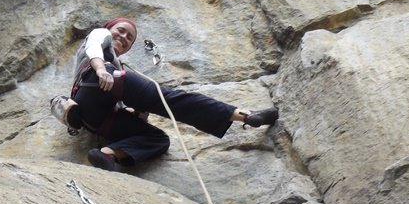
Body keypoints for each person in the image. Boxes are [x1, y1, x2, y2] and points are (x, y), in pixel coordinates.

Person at [54, 17, 279, 172]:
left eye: (129, 38)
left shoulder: (118, 64)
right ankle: (244, 115)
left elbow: (118, 103)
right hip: (94, 84)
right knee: (171, 100)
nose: (123, 37)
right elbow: (94, 47)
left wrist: (138, 114)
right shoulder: (99, 36)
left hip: (95, 119)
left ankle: (107, 154)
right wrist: (101, 69)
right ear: (109, 28)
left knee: (159, 139)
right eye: (120, 30)